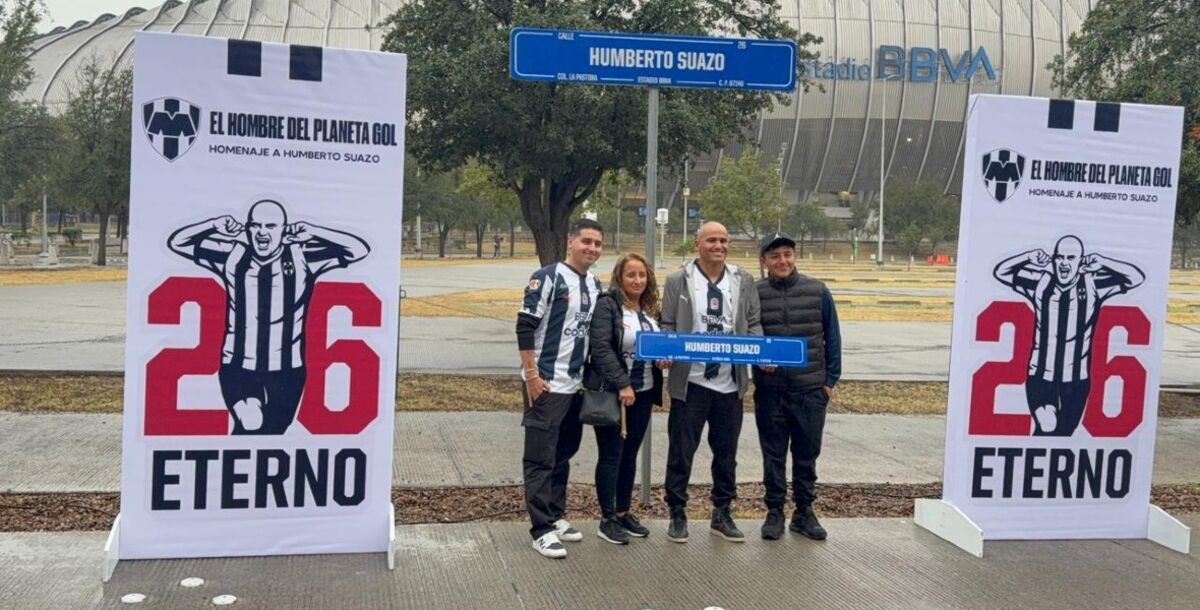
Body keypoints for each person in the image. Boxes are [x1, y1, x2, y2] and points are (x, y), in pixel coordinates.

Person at [167, 199, 369, 435]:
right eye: (255, 225)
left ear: (284, 230)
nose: (262, 232)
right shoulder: (232, 255)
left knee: (271, 433)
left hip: (288, 371)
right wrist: (213, 225)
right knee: (251, 420)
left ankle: (237, 468)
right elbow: (176, 243)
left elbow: (358, 250)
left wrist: (313, 231)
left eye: (271, 226)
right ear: (248, 228)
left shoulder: (302, 257)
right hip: (239, 366)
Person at [660, 221, 762, 543]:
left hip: (729, 385)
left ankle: (722, 511)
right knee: (681, 451)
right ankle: (677, 512)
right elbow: (668, 324)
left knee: (726, 453)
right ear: (697, 243)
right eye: (711, 240)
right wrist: (665, 350)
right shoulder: (679, 279)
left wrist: (757, 353)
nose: (718, 246)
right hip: (691, 382)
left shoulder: (743, 279)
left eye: (724, 240)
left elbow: (754, 322)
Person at [993, 234, 1144, 436]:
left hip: (1077, 380)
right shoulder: (1041, 282)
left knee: (1061, 434)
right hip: (1040, 376)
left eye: (1071, 258)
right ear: (1054, 259)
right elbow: (1001, 273)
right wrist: (1028, 257)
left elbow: (1136, 278)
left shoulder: (1093, 285)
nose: (1064, 263)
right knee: (1048, 424)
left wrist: (1103, 262)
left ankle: (1037, 465)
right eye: (1059, 257)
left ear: (1080, 262)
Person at [516, 218, 605, 559]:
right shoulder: (548, 276)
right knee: (539, 458)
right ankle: (540, 529)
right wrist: (531, 375)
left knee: (563, 454)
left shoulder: (595, 284)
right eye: (586, 241)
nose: (591, 248)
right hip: (546, 383)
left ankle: (554, 515)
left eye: (597, 243)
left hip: (575, 386)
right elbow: (525, 326)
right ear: (571, 241)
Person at [754, 232, 842, 541]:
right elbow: (747, 339)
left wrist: (829, 382)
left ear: (795, 257)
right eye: (775, 256)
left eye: (788, 254)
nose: (782, 261)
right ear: (764, 261)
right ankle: (775, 511)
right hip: (771, 391)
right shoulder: (754, 293)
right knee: (773, 454)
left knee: (806, 455)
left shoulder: (818, 291)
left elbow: (832, 338)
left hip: (810, 391)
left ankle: (804, 511)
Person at [586, 253, 667, 545]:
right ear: (619, 277)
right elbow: (602, 348)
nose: (637, 280)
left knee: (629, 454)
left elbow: (652, 349)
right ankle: (606, 519)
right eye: (631, 275)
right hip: (614, 393)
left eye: (642, 275)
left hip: (643, 393)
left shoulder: (648, 310)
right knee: (611, 455)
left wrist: (662, 360)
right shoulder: (608, 306)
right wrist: (622, 384)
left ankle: (623, 512)